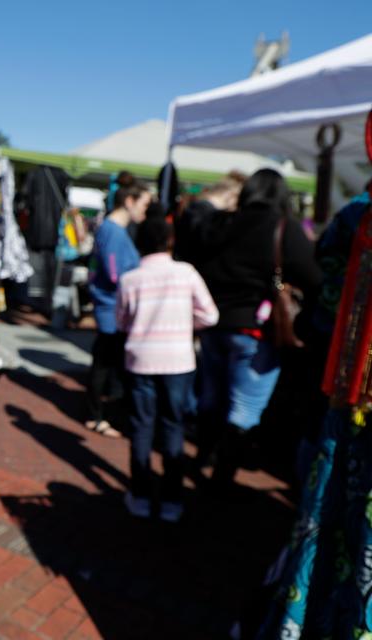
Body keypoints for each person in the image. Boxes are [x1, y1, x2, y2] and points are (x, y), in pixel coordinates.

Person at [195, 169, 322, 488]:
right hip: (254, 329)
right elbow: (314, 277)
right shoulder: (283, 228)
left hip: (212, 326)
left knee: (212, 398)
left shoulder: (223, 222)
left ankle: (202, 459)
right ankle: (221, 480)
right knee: (244, 409)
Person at [117, 218, 219, 521]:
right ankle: (173, 500)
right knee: (173, 426)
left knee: (141, 426)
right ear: (170, 240)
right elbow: (210, 315)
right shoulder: (185, 273)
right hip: (177, 360)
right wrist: (186, 326)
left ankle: (140, 495)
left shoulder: (130, 279)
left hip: (140, 360)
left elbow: (121, 322)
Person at [85, 174, 151, 437]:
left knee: (106, 362)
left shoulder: (114, 230)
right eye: (144, 204)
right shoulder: (113, 231)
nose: (145, 211)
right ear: (130, 201)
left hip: (114, 308)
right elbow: (115, 275)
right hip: (111, 309)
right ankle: (96, 415)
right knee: (104, 362)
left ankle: (99, 414)